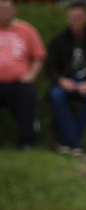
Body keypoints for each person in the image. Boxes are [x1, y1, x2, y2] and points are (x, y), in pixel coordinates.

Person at [46, 0, 86, 154]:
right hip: (65, 82)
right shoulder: (58, 40)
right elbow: (50, 68)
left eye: (79, 17)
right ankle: (75, 141)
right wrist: (61, 80)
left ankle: (68, 139)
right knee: (56, 96)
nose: (75, 21)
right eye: (72, 17)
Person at [0, 0, 46, 150]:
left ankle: (26, 141)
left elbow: (39, 56)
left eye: (6, 9)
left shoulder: (26, 30)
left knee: (28, 95)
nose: (3, 12)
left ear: (15, 10)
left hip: (19, 82)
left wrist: (31, 75)